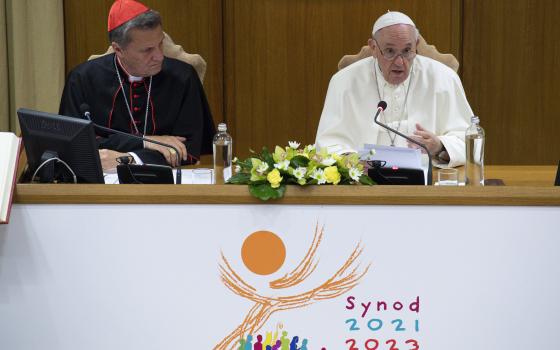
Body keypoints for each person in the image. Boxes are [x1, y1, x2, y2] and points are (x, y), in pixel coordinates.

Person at [59, 0, 215, 170]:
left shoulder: (183, 77)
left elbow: (188, 152)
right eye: (147, 50)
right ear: (118, 50)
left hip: (165, 187)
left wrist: (129, 159)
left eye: (160, 44)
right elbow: (74, 147)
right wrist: (146, 143)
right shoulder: (82, 79)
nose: (159, 56)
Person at [315, 11, 473, 167]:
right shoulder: (344, 81)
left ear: (416, 45)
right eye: (390, 51)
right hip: (363, 183)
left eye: (407, 51)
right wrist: (352, 161)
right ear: (374, 48)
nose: (399, 62)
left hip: (425, 184)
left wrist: (439, 145)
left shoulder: (444, 78)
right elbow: (327, 144)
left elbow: (469, 141)